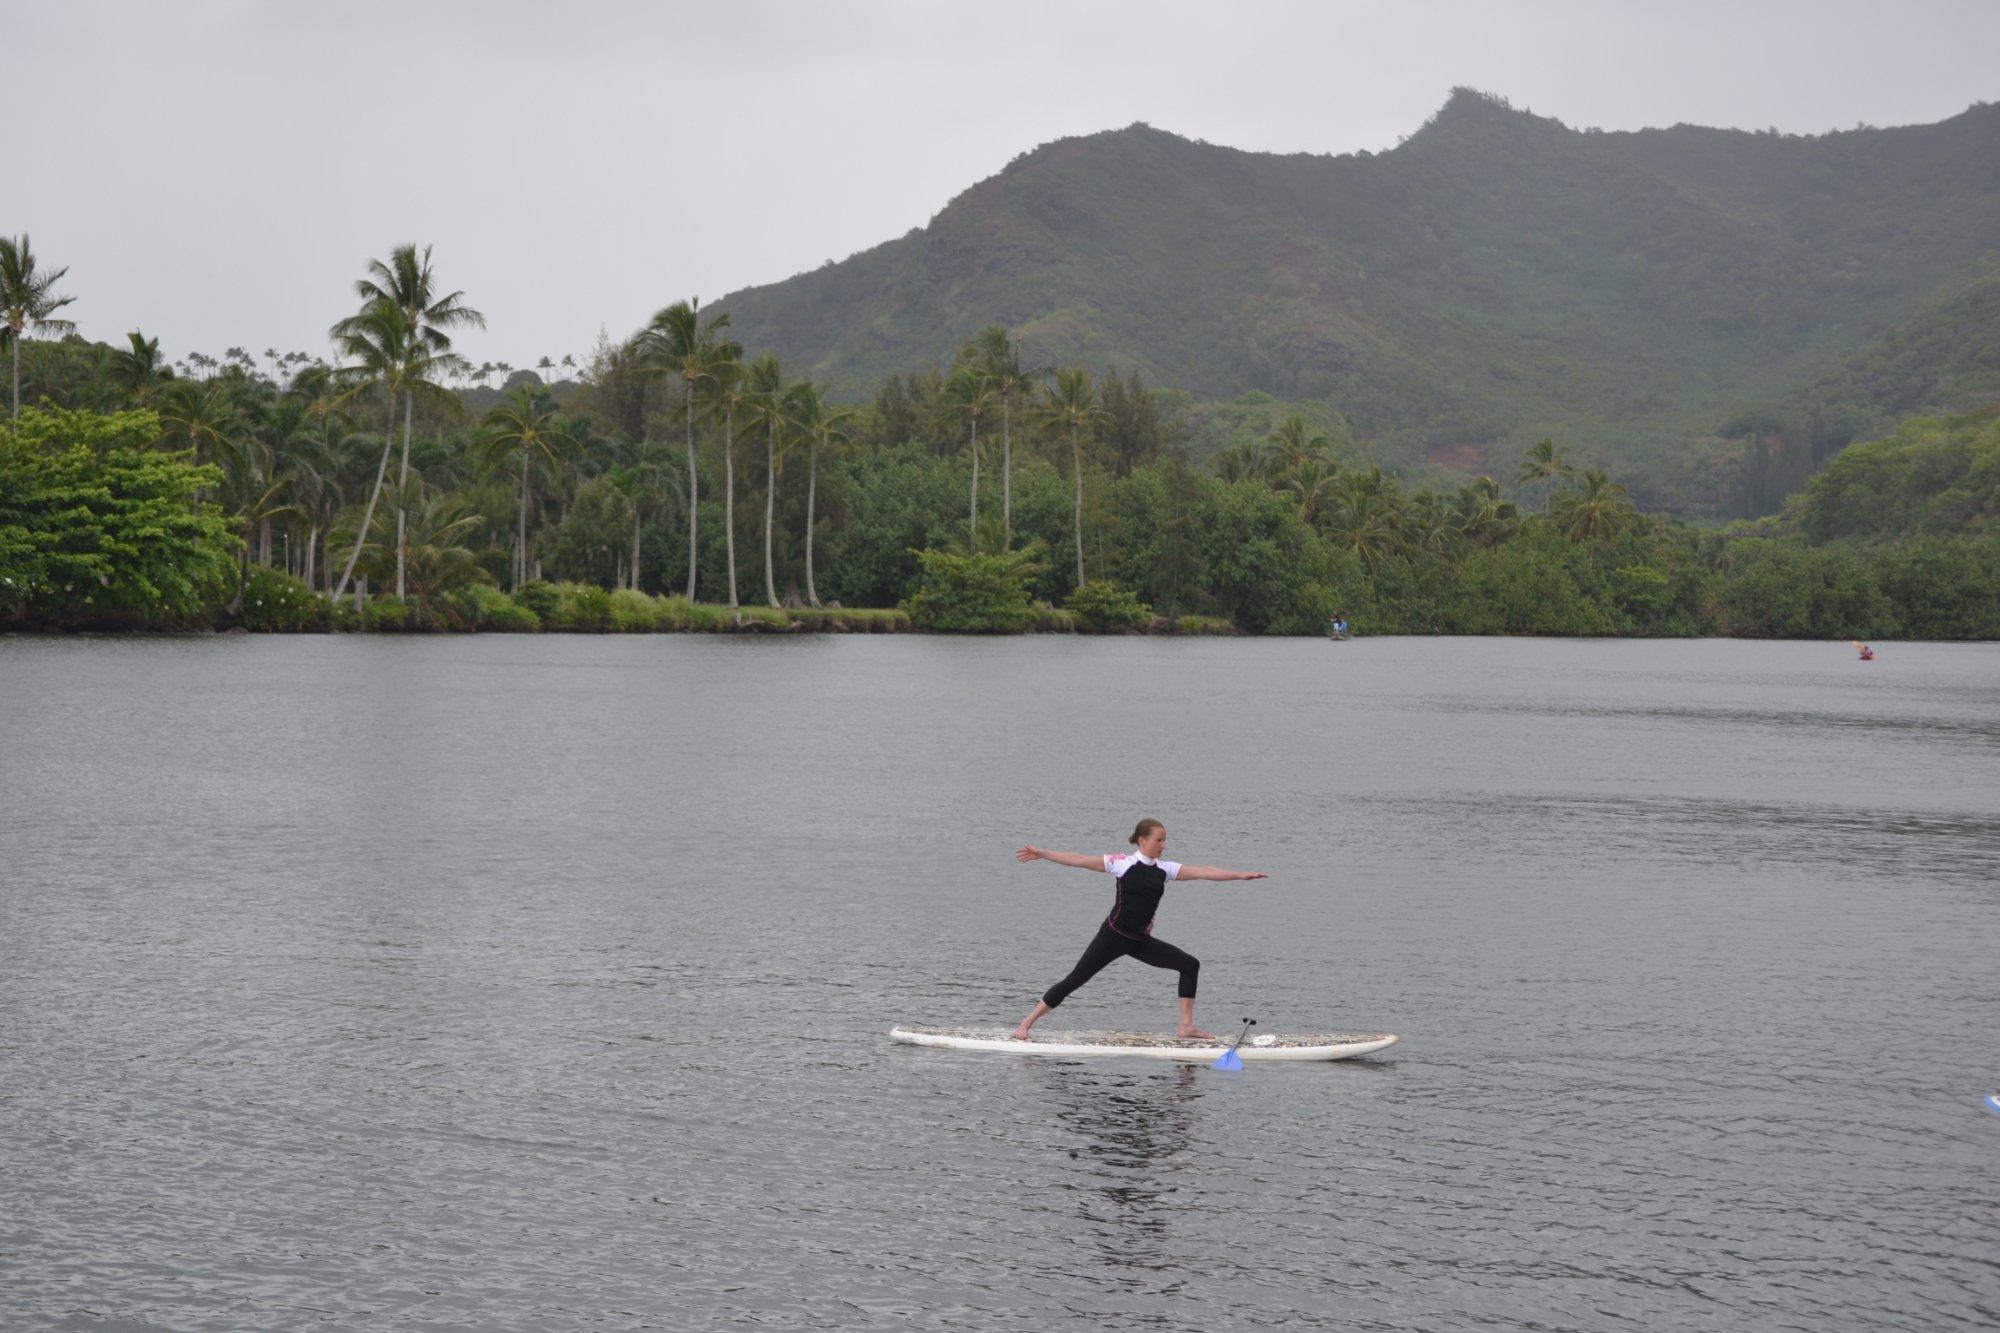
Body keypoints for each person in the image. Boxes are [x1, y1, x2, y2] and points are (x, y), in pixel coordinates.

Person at [1011, 819, 1267, 1042]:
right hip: (1112, 937)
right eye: (1159, 840)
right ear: (1143, 840)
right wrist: (1042, 853)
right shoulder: (1121, 863)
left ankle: (1186, 1026)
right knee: (1075, 979)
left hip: (1140, 941)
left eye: (1165, 840)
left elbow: (1204, 872)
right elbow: (1077, 859)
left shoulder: (1164, 869)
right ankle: (1025, 1024)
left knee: (1189, 964)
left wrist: (1239, 875)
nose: (1163, 844)